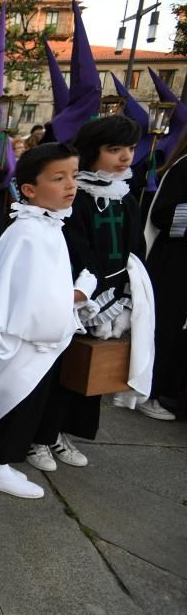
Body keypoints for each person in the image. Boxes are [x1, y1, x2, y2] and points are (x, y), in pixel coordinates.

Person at [0, 143, 84, 499]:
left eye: (74, 176)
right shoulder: (26, 232)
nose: (70, 185)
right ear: (29, 189)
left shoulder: (48, 227)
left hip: (38, 338)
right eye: (58, 178)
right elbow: (18, 292)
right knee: (12, 404)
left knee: (25, 405)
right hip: (24, 340)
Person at [28, 115, 154, 470]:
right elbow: (73, 245)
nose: (125, 156)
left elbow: (134, 245)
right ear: (92, 151)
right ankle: (39, 438)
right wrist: (88, 289)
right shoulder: (76, 195)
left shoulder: (125, 196)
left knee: (89, 371)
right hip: (79, 292)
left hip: (113, 292)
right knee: (59, 369)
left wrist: (127, 290)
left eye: (129, 148)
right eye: (114, 149)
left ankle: (63, 435)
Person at [142, 129, 187, 419]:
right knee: (167, 326)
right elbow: (162, 214)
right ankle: (151, 391)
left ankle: (173, 391)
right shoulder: (184, 167)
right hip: (174, 261)